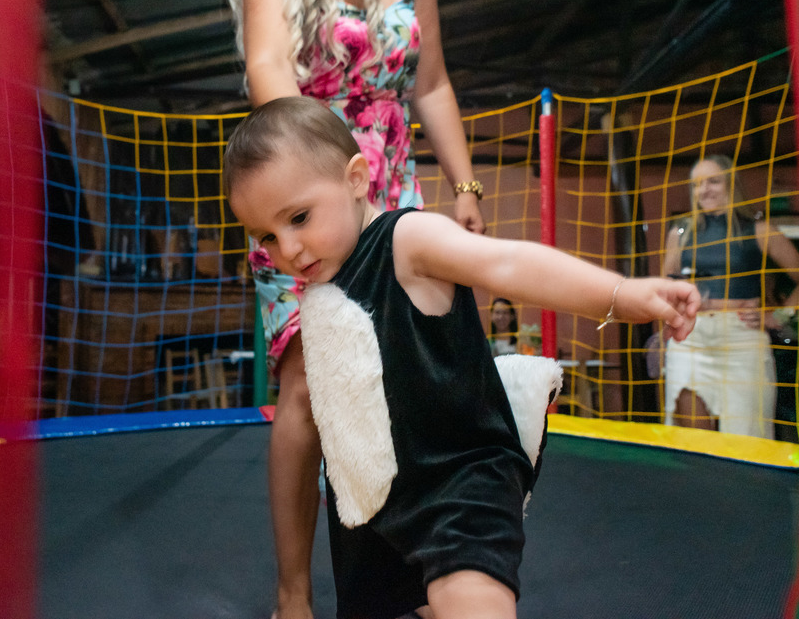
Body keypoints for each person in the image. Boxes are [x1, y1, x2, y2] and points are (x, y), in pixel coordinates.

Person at [223, 97, 699, 619]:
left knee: (467, 597)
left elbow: (506, 264)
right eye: (267, 236)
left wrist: (621, 294)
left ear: (356, 178)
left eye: (298, 217)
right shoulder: (320, 288)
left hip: (458, 482)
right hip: (374, 506)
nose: (288, 248)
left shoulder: (407, 240)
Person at [227, 0, 485, 614]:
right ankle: (294, 591)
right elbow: (268, 69)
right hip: (307, 195)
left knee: (402, 384)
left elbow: (431, 81)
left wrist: (465, 185)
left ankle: (419, 575)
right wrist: (327, 183)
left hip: (392, 192)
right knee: (307, 386)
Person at [660, 155, 799, 439]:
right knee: (690, 438)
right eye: (697, 184)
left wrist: (779, 315)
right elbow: (665, 286)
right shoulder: (681, 231)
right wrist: (662, 335)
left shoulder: (759, 229)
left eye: (713, 181)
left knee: (747, 435)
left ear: (731, 184)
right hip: (692, 337)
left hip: (741, 339)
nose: (705, 190)